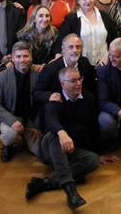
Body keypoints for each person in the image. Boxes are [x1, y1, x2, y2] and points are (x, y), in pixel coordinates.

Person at [27, 67, 111, 210]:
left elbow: (93, 128)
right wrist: (62, 133)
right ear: (62, 84)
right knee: (55, 135)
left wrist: (98, 152)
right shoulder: (55, 98)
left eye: (79, 79)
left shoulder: (88, 98)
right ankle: (71, 191)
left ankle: (45, 183)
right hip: (50, 149)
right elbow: (51, 120)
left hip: (71, 148)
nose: (78, 83)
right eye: (73, 81)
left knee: (93, 160)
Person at [0, 41, 41, 162]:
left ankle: (25, 135)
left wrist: (39, 125)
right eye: (18, 56)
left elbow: (41, 103)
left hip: (30, 119)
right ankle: (7, 146)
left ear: (31, 57)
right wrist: (12, 121)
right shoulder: (1, 77)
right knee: (10, 135)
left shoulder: (38, 75)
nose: (22, 60)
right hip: (11, 117)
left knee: (37, 150)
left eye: (26, 56)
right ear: (12, 58)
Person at [56, 0, 118, 66]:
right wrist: (58, 55)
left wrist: (109, 57)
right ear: (78, 1)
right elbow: (62, 39)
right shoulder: (71, 18)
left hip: (104, 63)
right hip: (81, 64)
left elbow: (114, 39)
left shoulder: (104, 16)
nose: (88, 1)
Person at [17, 5, 58, 69]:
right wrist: (32, 66)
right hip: (27, 68)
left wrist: (44, 66)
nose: (45, 19)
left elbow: (55, 56)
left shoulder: (55, 33)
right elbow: (22, 55)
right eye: (41, 16)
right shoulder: (23, 35)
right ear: (34, 19)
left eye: (47, 16)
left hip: (48, 68)